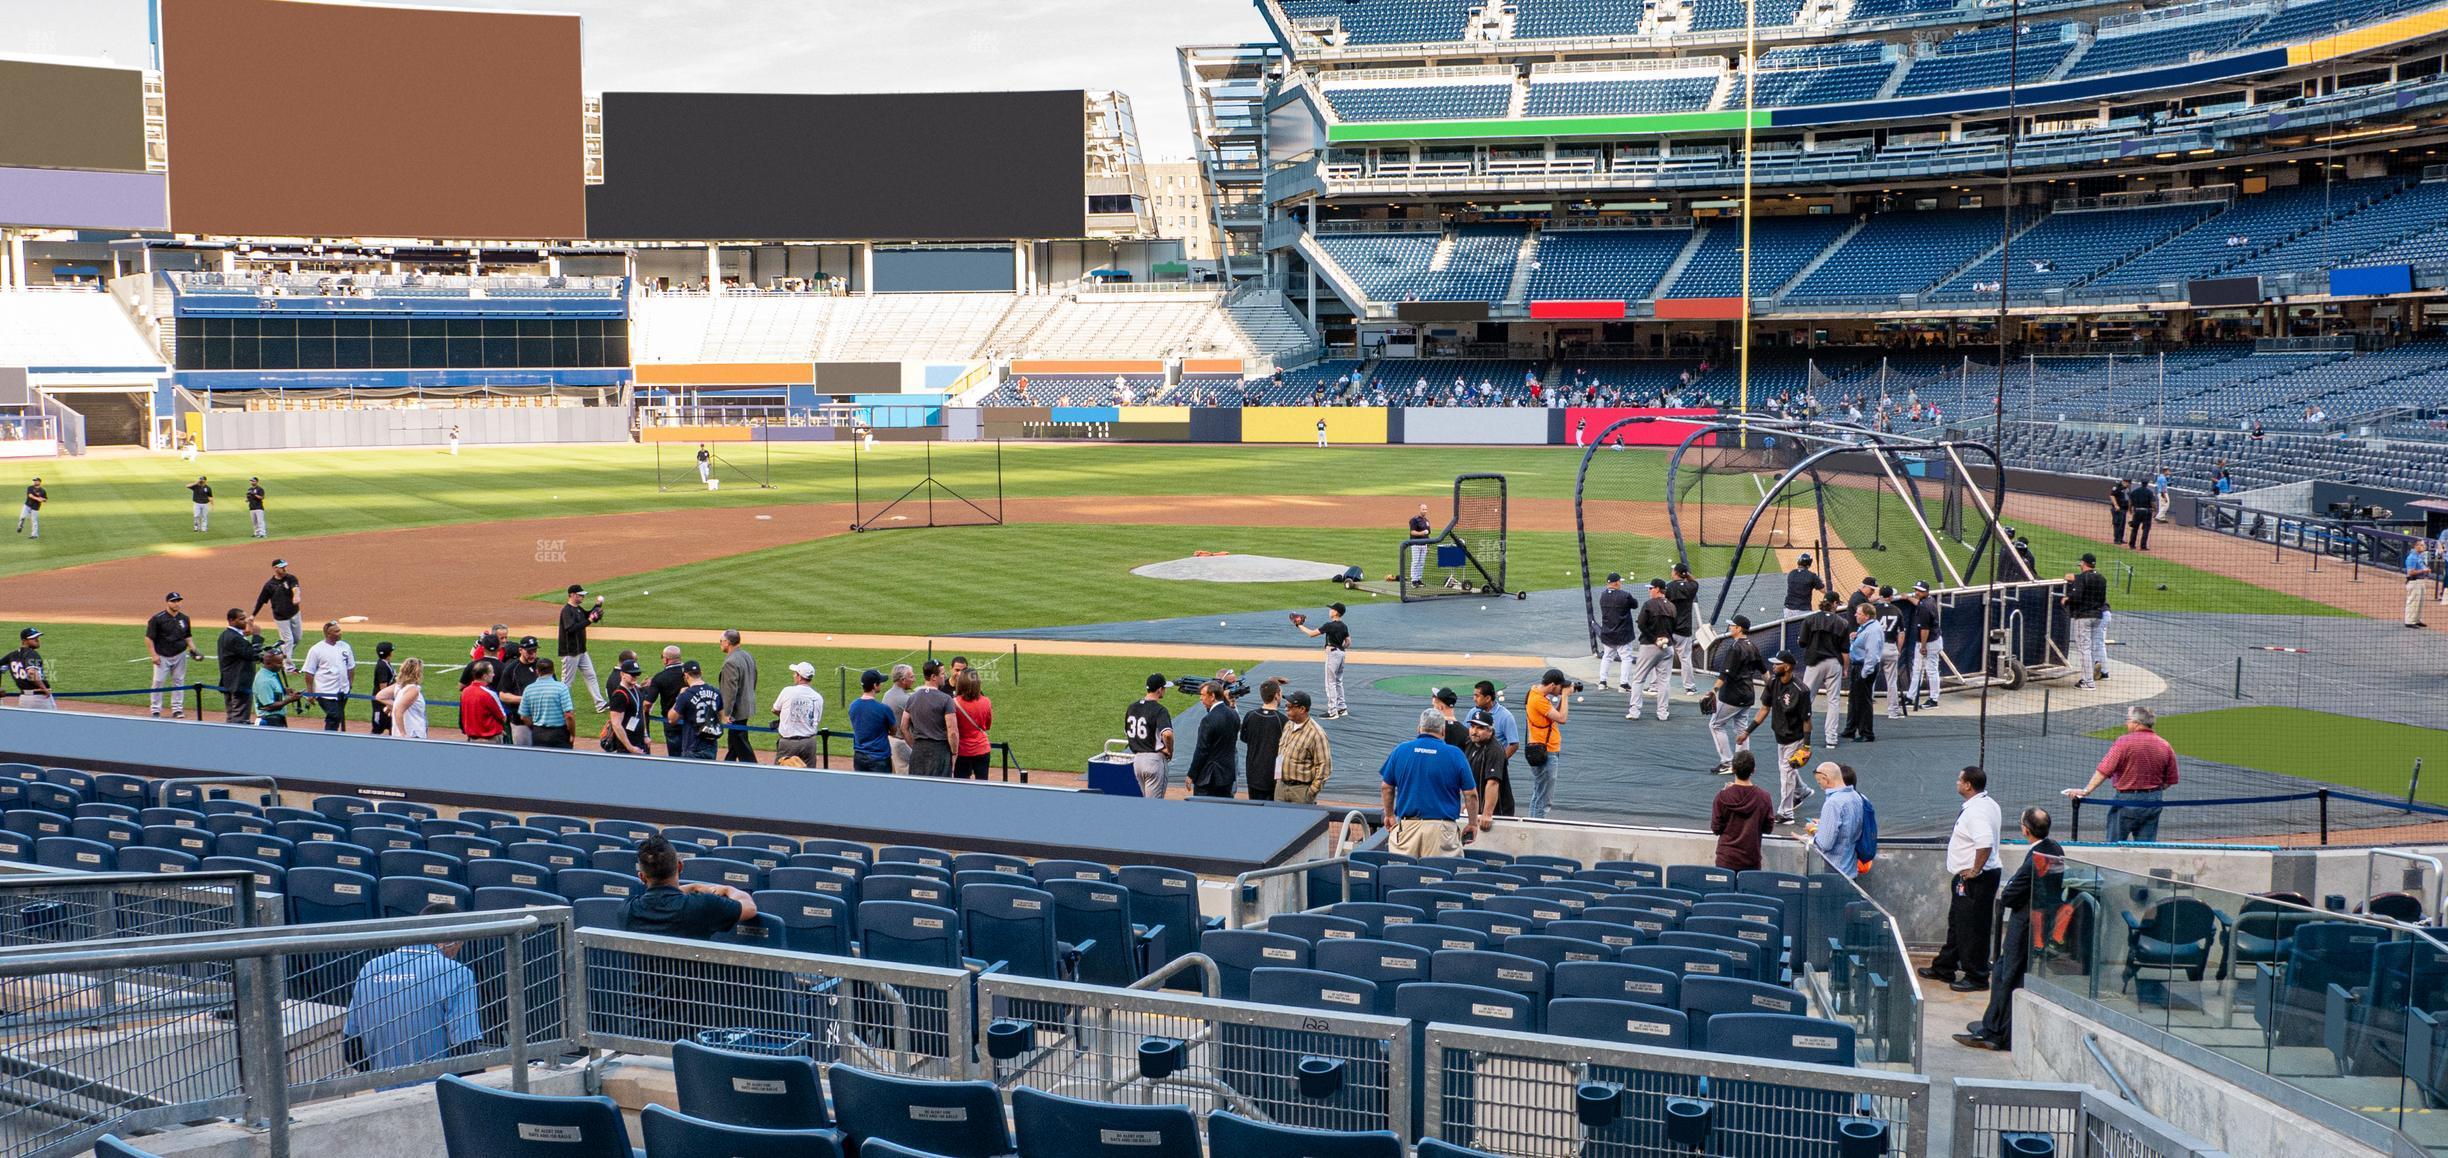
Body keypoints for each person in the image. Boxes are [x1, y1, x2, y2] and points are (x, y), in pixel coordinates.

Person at [1957, 808, 2063, 1052]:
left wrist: (2007, 896)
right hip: (2041, 920)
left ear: (2025, 829)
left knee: (2008, 975)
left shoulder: (2037, 855)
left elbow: (2013, 891)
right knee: (2005, 969)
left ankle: (1995, 1033)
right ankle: (1993, 1024)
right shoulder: (2055, 849)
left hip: (2026, 922)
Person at [342, 903, 482, 1074]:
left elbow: (351, 1047)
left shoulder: (370, 968)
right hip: (441, 1089)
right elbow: (466, 1051)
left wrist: (386, 1079)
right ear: (452, 939)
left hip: (385, 1089)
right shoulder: (457, 972)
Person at [1923, 765, 2003, 992]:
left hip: (1976, 879)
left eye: (1960, 780)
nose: (1957, 783)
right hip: (1971, 877)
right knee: (1958, 923)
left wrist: (1975, 870)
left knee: (1973, 928)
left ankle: (1977, 976)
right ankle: (1944, 965)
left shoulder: (1976, 812)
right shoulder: (1987, 804)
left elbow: (1985, 843)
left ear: (1968, 785)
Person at [2065, 705, 2179, 842]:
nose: (2126, 722)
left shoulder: (2124, 742)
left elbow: (2104, 770)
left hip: (2126, 801)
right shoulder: (2164, 745)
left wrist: (2086, 790)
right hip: (2153, 801)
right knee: (2146, 847)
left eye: (2128, 719)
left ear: (2137, 723)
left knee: (2115, 844)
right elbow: (2170, 780)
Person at [623, 836, 756, 938]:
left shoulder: (628, 909)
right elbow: (749, 908)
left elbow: (659, 898)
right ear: (680, 866)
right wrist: (728, 889)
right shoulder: (703, 905)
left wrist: (692, 887)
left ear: (642, 877)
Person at [1743, 652, 1815, 822]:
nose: (1773, 667)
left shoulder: (1801, 690)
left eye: (1777, 664)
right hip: (1780, 735)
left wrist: (1806, 746)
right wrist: (1747, 731)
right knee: (1786, 768)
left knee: (1786, 772)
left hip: (1795, 737)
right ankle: (1802, 791)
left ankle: (1786, 813)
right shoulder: (1773, 682)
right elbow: (1764, 708)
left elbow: (1807, 720)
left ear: (1787, 667)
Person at [1709, 616, 1764, 773]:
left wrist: (1714, 690)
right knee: (1742, 729)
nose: (1730, 628)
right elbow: (1764, 671)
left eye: (1732, 625)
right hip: (1748, 695)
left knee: (1715, 724)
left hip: (1732, 696)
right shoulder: (1752, 646)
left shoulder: (1735, 648)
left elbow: (1725, 674)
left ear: (1739, 628)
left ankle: (1727, 762)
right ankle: (1743, 765)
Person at [1798, 595, 1849, 747]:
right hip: (1834, 663)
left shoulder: (1810, 619)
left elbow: (1802, 643)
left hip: (1814, 664)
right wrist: (1845, 668)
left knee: (1806, 699)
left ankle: (1801, 735)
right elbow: (1845, 651)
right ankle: (1831, 740)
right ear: (1833, 604)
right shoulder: (1842, 622)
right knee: (1833, 701)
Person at [1710, 752, 1774, 871]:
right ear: (1753, 770)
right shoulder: (1764, 797)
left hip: (1725, 859)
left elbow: (1716, 828)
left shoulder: (1722, 797)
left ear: (1733, 769)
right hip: (1751, 860)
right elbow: (1768, 828)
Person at [1802, 762, 1865, 878]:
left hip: (1835, 871)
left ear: (1826, 779)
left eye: (1819, 782)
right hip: (1850, 869)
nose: (1820, 786)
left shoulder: (1833, 803)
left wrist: (1813, 831)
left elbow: (1825, 844)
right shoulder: (1856, 797)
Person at [1523, 668, 1571, 819]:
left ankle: (1532, 825)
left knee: (1539, 793)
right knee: (1544, 799)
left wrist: (1562, 696)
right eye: (1559, 687)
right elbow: (1562, 718)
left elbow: (1555, 715)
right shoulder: (1538, 699)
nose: (1560, 690)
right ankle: (1537, 828)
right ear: (1551, 685)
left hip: (1542, 749)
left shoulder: (1536, 693)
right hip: (1546, 752)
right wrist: (1566, 696)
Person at [1628, 579, 1676, 721]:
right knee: (1664, 681)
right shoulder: (1672, 606)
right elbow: (1675, 626)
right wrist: (1664, 638)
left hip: (1650, 646)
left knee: (1638, 679)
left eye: (1651, 588)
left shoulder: (1649, 604)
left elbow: (1641, 625)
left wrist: (1654, 639)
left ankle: (1634, 711)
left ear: (1657, 589)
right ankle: (1663, 714)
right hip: (1668, 647)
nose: (1649, 591)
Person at [145, 592, 199, 719]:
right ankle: (155, 709)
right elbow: (148, 638)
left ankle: (177, 709)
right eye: (174, 601)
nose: (176, 603)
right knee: (158, 681)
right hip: (162, 655)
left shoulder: (184, 618)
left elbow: (187, 636)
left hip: (180, 654)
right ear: (167, 602)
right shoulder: (158, 619)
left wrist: (194, 649)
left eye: (178, 601)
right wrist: (153, 655)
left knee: (179, 681)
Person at [1292, 603, 1351, 719]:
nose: (1330, 611)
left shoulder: (1329, 625)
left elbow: (1311, 634)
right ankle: (1342, 708)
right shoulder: (1344, 626)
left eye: (1331, 609)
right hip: (1342, 654)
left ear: (1336, 613)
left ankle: (1332, 711)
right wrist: (1339, 647)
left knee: (1330, 683)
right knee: (1338, 681)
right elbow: (1348, 642)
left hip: (1333, 655)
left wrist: (1299, 626)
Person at [900, 660, 956, 778]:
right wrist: (954, 752)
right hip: (939, 752)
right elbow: (952, 731)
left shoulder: (912, 698)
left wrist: (914, 745)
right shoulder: (946, 699)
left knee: (918, 789)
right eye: (942, 674)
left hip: (918, 751)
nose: (944, 676)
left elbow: (903, 727)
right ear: (933, 677)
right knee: (940, 789)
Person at [558, 585, 609, 713]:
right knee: (567, 682)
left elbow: (587, 616)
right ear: (572, 595)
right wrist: (591, 619)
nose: (582, 597)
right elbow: (571, 629)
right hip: (571, 652)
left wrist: (597, 607)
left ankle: (600, 704)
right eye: (580, 595)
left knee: (591, 675)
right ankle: (559, 706)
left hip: (581, 650)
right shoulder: (566, 611)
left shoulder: (578, 609)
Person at [1462, 708, 1514, 830]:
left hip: (1497, 812)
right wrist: (1468, 804)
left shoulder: (1494, 750)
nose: (1474, 731)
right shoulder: (1470, 744)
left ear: (1490, 731)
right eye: (1472, 726)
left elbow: (1493, 783)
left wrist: (1487, 814)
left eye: (1479, 728)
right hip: (1478, 809)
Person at [1187, 678, 1239, 797]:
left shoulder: (1208, 720)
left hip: (1208, 778)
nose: (1201, 698)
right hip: (1227, 776)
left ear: (1212, 696)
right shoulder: (1234, 714)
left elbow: (1201, 750)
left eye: (1203, 695)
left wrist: (1191, 774)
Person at [301, 620, 357, 733]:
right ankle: (328, 738)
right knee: (334, 715)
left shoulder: (345, 647)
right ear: (328, 634)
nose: (340, 633)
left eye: (339, 630)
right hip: (325, 691)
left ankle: (333, 736)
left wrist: (350, 684)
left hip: (343, 690)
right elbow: (309, 673)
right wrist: (311, 693)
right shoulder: (316, 650)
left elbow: (350, 667)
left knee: (337, 717)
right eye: (336, 631)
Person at [1277, 690, 1332, 804]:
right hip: (1281, 787)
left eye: (1290, 706)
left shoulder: (1316, 734)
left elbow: (1324, 766)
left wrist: (1311, 792)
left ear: (1302, 709)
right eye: (1286, 705)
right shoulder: (1288, 725)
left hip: (1301, 791)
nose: (1286, 709)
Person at [1842, 602, 1884, 742]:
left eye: (1858, 613)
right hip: (1859, 666)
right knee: (1854, 699)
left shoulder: (1872, 631)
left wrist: (1865, 673)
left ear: (1866, 616)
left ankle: (1866, 733)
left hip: (1863, 667)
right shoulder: (1867, 627)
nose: (1855, 615)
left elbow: (1872, 654)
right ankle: (1850, 729)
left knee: (1863, 701)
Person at [2065, 552, 2110, 683]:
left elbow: (2076, 597)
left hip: (2084, 616)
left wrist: (2067, 600)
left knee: (2084, 648)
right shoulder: (2102, 578)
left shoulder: (2082, 578)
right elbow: (2102, 600)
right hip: (2098, 615)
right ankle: (2101, 673)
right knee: (2093, 646)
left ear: (2084, 563)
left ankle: (2088, 681)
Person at [1241, 678, 1287, 801]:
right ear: (1277, 695)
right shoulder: (1283, 720)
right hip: (1273, 776)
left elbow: (1243, 738)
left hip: (1252, 773)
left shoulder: (1250, 715)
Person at [669, 660, 725, 760]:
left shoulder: (685, 695)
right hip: (711, 743)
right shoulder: (716, 692)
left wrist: (679, 696)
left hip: (692, 745)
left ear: (686, 675)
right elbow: (721, 717)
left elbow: (672, 719)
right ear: (701, 673)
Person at [717, 629, 759, 763]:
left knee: (739, 740)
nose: (719, 644)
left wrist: (726, 713)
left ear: (727, 642)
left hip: (737, 710)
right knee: (735, 740)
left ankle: (753, 767)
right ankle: (728, 764)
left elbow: (730, 690)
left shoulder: (731, 662)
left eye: (721, 641)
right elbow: (754, 678)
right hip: (747, 705)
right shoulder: (747, 655)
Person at [773, 661, 825, 767]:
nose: (793, 676)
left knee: (780, 775)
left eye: (795, 674)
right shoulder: (818, 697)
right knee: (808, 776)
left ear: (799, 677)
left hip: (788, 743)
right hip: (809, 743)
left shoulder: (787, 691)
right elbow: (816, 720)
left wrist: (784, 717)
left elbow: (775, 709)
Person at [216, 610, 265, 724]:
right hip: (239, 683)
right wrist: (257, 635)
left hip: (229, 682)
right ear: (231, 620)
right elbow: (253, 654)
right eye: (242, 619)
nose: (245, 621)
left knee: (231, 717)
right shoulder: (235, 638)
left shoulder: (226, 635)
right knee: (239, 718)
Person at [254, 559, 304, 659]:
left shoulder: (291, 578)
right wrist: (253, 615)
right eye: (282, 567)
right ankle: (288, 666)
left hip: (294, 613)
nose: (285, 569)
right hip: (280, 617)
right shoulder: (269, 585)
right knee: (288, 640)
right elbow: (261, 600)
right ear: (275, 568)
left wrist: (296, 596)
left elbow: (295, 588)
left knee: (297, 638)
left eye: (285, 566)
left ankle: (280, 654)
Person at [847, 668, 895, 773]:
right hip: (879, 757)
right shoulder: (883, 709)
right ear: (874, 685)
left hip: (859, 756)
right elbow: (893, 730)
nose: (881, 684)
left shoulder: (853, 706)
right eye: (880, 683)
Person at [519, 659, 574, 749]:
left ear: (537, 671)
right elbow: (569, 715)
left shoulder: (529, 689)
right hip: (559, 733)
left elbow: (523, 716)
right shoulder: (561, 688)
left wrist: (535, 728)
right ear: (553, 671)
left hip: (538, 733)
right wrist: (572, 734)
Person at [1903, 582, 1941, 710]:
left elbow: (1925, 629)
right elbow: (1918, 603)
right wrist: (1908, 598)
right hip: (1930, 641)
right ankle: (1910, 697)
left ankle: (1934, 699)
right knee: (1918, 670)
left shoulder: (1926, 606)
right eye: (1916, 590)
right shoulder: (1928, 600)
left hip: (1929, 642)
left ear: (1926, 592)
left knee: (1931, 670)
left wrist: (1923, 646)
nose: (1917, 592)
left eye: (1920, 590)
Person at [1593, 573, 1635, 690]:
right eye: (1619, 581)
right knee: (1626, 658)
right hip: (1622, 634)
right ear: (1616, 582)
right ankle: (1623, 684)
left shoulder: (1603, 596)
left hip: (1607, 633)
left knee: (1607, 657)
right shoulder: (1625, 595)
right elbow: (1635, 604)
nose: (1620, 583)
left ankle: (1602, 682)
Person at [496, 637, 541, 745]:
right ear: (520, 650)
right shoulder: (511, 669)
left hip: (542, 721)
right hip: (520, 722)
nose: (533, 655)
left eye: (534, 651)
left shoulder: (542, 665)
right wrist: (525, 699)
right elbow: (502, 695)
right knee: (523, 755)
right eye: (529, 652)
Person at [949, 670, 993, 780]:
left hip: (962, 750)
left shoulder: (953, 702)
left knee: (961, 785)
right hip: (982, 748)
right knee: (982, 784)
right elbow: (987, 726)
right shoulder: (986, 701)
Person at [1666, 562, 1702, 694]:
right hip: (1684, 629)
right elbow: (1693, 581)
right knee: (1685, 659)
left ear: (1675, 573)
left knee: (1662, 657)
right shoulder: (1692, 586)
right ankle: (1690, 687)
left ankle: (1655, 686)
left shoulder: (1668, 587)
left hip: (1669, 628)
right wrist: (1687, 575)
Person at [601, 658, 650, 754]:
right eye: (632, 674)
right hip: (626, 747)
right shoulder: (619, 695)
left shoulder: (636, 689)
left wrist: (645, 735)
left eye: (637, 674)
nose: (635, 677)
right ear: (622, 674)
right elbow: (616, 724)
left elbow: (640, 713)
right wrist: (630, 748)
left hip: (640, 742)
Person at [647, 646, 688, 757]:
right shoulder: (690, 674)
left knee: (675, 756)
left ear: (666, 659)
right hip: (690, 720)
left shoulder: (660, 678)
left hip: (671, 721)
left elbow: (648, 703)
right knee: (691, 754)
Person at [1780, 553, 1825, 654]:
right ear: (1809, 564)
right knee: (1804, 634)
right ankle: (1803, 653)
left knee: (1789, 632)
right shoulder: (1812, 576)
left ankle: (1788, 652)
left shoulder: (1791, 574)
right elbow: (1824, 590)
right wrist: (1819, 581)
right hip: (1803, 610)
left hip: (1788, 609)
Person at [376, 657, 429, 740]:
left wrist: (393, 705)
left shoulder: (398, 687)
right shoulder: (413, 690)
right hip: (413, 733)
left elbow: (380, 696)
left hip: (398, 733)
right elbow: (398, 710)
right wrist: (403, 734)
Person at [3, 627, 53, 710]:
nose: (37, 640)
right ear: (24, 641)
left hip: (24, 699)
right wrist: (44, 689)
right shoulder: (31, 653)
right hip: (39, 698)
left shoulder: (12, 655)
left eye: (37, 637)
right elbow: (32, 673)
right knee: (50, 722)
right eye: (33, 638)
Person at [458, 660, 507, 744]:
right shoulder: (490, 694)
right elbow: (503, 717)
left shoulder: (465, 692)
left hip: (472, 739)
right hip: (491, 740)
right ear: (484, 676)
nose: (493, 675)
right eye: (491, 672)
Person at [253, 645, 302, 726]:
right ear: (268, 663)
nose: (282, 666)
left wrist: (284, 691)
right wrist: (290, 700)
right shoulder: (264, 681)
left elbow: (272, 692)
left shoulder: (272, 674)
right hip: (268, 722)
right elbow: (269, 706)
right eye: (279, 663)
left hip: (276, 719)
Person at [882, 663, 918, 773]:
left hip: (889, 742)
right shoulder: (906, 699)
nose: (914, 679)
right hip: (901, 743)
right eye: (911, 677)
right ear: (903, 680)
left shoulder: (887, 694)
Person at [370, 641, 397, 735]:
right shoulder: (382, 666)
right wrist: (389, 704)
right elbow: (383, 687)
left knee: (392, 727)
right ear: (389, 653)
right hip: (382, 703)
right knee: (378, 728)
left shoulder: (385, 664)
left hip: (386, 701)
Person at [1405, 503, 1433, 587]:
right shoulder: (1414, 520)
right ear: (1419, 510)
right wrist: (1422, 532)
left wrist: (1428, 544)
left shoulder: (1427, 521)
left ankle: (1418, 579)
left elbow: (1427, 534)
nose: (1425, 511)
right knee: (1416, 562)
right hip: (1416, 544)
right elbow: (1412, 532)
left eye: (1426, 509)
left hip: (1424, 545)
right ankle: (1414, 581)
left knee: (1421, 563)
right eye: (1423, 509)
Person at [2408, 540, 2433, 629]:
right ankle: (2409, 621)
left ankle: (2417, 620)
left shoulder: (2419, 557)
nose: (2424, 547)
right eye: (2421, 545)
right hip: (2414, 581)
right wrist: (2424, 571)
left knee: (2420, 602)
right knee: (2413, 601)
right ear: (2416, 546)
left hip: (2421, 581)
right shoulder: (2412, 557)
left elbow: (2422, 568)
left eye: (2423, 545)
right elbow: (2410, 572)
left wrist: (2426, 570)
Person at [2126, 477, 2155, 551]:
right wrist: (2155, 510)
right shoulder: (2149, 492)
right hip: (2146, 512)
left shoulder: (2135, 491)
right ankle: (2143, 546)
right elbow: (2152, 503)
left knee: (2135, 528)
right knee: (2146, 529)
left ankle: (2132, 545)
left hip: (2137, 511)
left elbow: (2130, 502)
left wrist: (2130, 510)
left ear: (2141, 483)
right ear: (2147, 484)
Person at [2109, 478, 2131, 546]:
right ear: (2124, 482)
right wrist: (2116, 505)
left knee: (2122, 524)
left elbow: (2128, 499)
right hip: (2118, 509)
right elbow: (2112, 495)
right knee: (2117, 523)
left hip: (2124, 508)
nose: (2128, 484)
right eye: (2127, 482)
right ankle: (2116, 539)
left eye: (2129, 483)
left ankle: (2121, 539)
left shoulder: (2126, 489)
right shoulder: (2117, 487)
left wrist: (2129, 508)